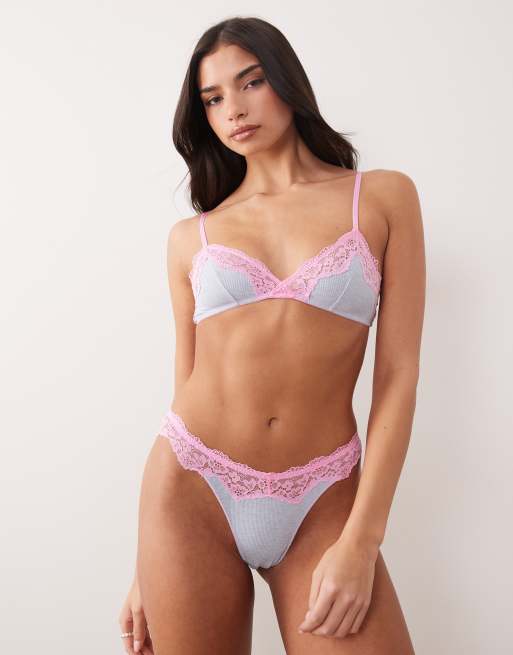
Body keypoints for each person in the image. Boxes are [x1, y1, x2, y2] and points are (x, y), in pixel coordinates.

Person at [118, 15, 425, 655]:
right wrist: (146, 566)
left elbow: (397, 377)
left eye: (251, 82)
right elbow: (187, 379)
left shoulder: (382, 198)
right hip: (192, 486)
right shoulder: (192, 237)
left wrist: (363, 539)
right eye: (212, 99)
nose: (234, 109)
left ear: (287, 81)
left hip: (324, 495)